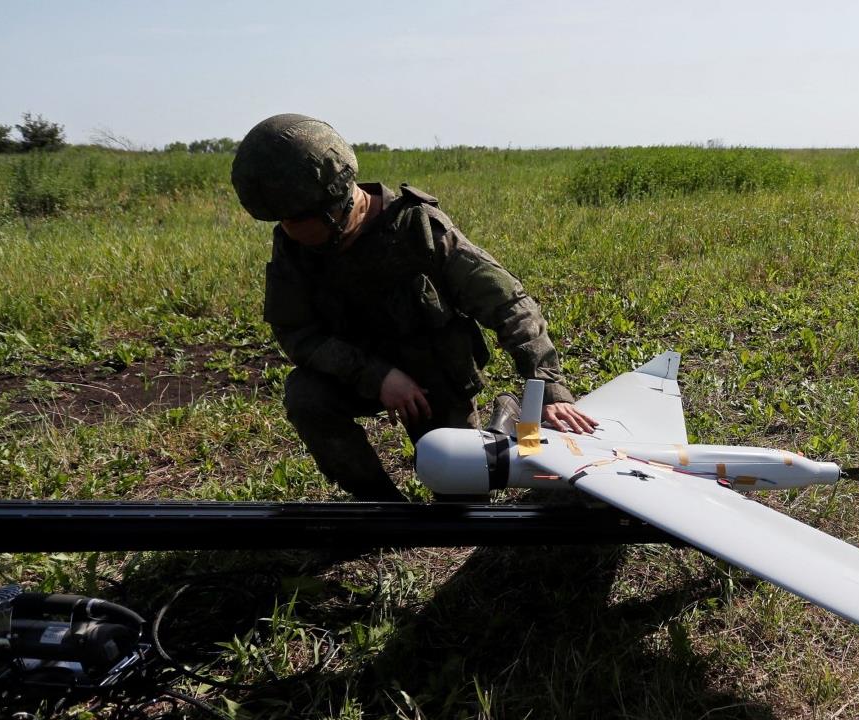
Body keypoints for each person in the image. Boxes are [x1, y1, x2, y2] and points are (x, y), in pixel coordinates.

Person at [230, 113, 596, 501]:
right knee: (305, 395)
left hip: (435, 380)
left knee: (462, 499)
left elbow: (509, 303)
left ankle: (505, 419)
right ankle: (381, 506)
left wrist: (549, 386)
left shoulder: (419, 230)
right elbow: (296, 332)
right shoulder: (293, 245)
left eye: (299, 220)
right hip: (357, 376)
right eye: (283, 220)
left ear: (338, 203)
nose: (289, 230)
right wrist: (377, 376)